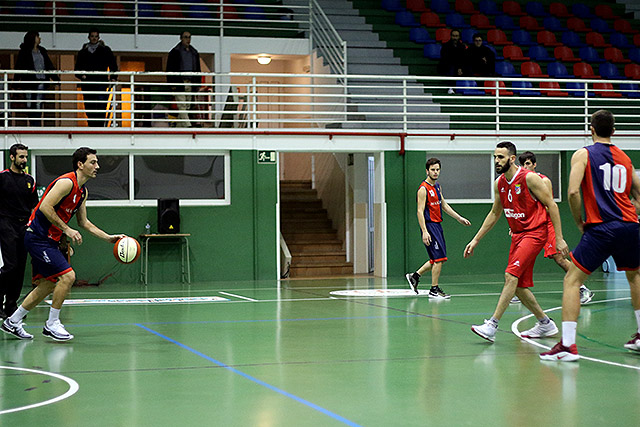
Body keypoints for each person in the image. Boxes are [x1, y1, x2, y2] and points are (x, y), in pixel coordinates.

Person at [540, 110, 640, 361]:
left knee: (572, 280)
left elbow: (573, 191)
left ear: (591, 128)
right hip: (629, 225)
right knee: (635, 276)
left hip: (601, 226)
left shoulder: (583, 154)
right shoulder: (625, 159)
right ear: (614, 131)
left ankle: (568, 346)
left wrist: (579, 222)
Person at [1, 147, 123, 341]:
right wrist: (66, 230)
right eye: (93, 162)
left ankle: (13, 321)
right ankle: (52, 324)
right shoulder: (66, 182)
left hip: (50, 241)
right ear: (80, 164)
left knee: (48, 284)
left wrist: (109, 238)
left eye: (97, 162)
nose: (97, 166)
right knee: (68, 277)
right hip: (36, 237)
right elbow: (44, 207)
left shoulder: (82, 192)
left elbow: (84, 223)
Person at [464, 141, 569, 343]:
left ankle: (492, 325)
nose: (496, 160)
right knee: (518, 286)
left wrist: (560, 238)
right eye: (495, 156)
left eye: (500, 157)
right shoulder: (499, 184)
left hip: (535, 233)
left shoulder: (529, 179)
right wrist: (476, 239)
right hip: (518, 235)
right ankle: (545, 323)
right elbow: (495, 213)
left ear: (512, 159)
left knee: (510, 275)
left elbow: (552, 206)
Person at [510, 151, 594, 305]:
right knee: (523, 258)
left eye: (528, 163)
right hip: (530, 226)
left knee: (559, 258)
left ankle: (582, 288)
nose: (525, 167)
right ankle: (520, 289)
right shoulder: (520, 182)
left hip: (545, 224)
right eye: (523, 164)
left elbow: (549, 207)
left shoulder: (543, 181)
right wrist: (519, 222)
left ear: (534, 164)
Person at [406, 158, 471, 299]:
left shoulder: (437, 187)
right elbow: (419, 211)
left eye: (437, 169)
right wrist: (424, 231)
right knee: (439, 258)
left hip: (438, 225)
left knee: (436, 258)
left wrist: (459, 218)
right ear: (427, 171)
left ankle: (415, 276)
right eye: (433, 170)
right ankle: (433, 290)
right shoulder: (423, 189)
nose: (435, 172)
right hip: (430, 226)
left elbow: (444, 205)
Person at [0, 144, 39, 319]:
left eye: (25, 157)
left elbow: (34, 207)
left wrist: (33, 227)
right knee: (10, 266)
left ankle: (11, 305)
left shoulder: (29, 180)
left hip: (24, 227)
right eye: (21, 157)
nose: (24, 160)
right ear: (12, 157)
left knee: (20, 268)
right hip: (6, 223)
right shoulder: (2, 178)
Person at [75, 28, 118, 127]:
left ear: (98, 38)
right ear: (89, 37)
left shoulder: (105, 50)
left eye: (96, 36)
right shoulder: (83, 52)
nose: (94, 38)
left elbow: (113, 65)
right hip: (88, 83)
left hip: (101, 82)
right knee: (89, 106)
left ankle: (100, 126)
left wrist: (113, 77)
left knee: (101, 105)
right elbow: (77, 68)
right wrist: (82, 75)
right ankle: (92, 125)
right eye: (92, 36)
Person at [15, 31, 59, 126]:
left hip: (41, 81)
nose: (40, 39)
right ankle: (32, 123)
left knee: (38, 104)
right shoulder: (24, 51)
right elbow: (19, 66)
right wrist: (15, 82)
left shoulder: (42, 51)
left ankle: (36, 124)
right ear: (33, 38)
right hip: (29, 81)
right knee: (29, 104)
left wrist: (56, 78)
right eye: (38, 37)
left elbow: (48, 65)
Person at [166, 31, 201, 127]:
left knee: (187, 106)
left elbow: (198, 69)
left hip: (190, 82)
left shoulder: (194, 52)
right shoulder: (175, 52)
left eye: (189, 37)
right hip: (179, 82)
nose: (188, 39)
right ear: (181, 38)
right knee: (182, 105)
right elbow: (170, 69)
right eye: (186, 37)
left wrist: (197, 84)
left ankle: (179, 127)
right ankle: (188, 125)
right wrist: (172, 84)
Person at [437, 29, 467, 94]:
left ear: (459, 37)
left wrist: (460, 68)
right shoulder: (445, 46)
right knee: (451, 68)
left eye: (456, 36)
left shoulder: (462, 46)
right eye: (453, 36)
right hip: (448, 66)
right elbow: (445, 58)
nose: (455, 38)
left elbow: (463, 59)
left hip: (459, 66)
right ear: (451, 36)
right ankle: (450, 87)